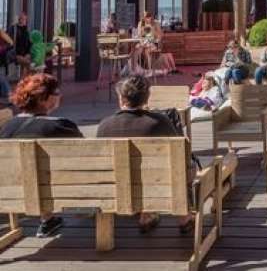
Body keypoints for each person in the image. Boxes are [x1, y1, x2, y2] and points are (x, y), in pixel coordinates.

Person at [97, 76, 192, 234]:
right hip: (157, 183)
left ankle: (147, 214)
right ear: (147, 97)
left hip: (117, 185)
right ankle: (184, 218)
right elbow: (181, 155)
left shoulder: (105, 125)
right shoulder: (159, 122)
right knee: (180, 166)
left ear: (121, 98)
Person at [1, 74, 82, 237]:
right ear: (43, 98)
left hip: (11, 193)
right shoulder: (62, 126)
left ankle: (48, 219)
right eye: (57, 92)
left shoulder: (7, 128)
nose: (60, 95)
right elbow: (86, 160)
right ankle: (48, 218)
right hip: (62, 192)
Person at [8, 12, 32, 77]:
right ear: (19, 19)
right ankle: (25, 82)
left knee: (27, 64)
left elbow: (28, 43)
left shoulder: (26, 30)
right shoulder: (13, 29)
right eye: (23, 19)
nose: (24, 21)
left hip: (25, 53)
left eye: (25, 19)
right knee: (28, 64)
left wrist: (28, 53)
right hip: (16, 53)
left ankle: (22, 81)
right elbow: (9, 41)